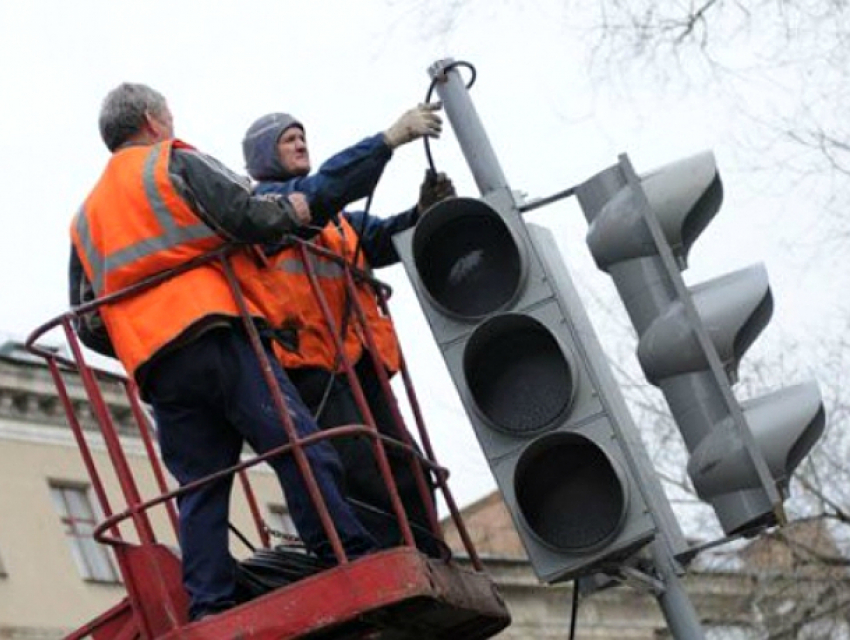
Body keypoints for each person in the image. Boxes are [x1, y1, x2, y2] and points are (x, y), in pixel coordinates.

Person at [69, 83, 378, 621]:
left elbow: (88, 319)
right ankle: (346, 553)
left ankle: (209, 605)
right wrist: (297, 207)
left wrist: (143, 329)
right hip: (216, 331)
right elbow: (247, 214)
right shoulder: (173, 163)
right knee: (299, 446)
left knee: (201, 485)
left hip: (158, 364)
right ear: (151, 119)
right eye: (167, 113)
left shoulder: (85, 218)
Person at [241, 106, 455, 554]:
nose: (301, 144)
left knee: (404, 463)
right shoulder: (262, 213)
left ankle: (427, 549)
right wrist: (386, 140)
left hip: (360, 361)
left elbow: (382, 237)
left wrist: (421, 213)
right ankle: (388, 556)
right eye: (288, 139)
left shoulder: (339, 221)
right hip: (313, 366)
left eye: (303, 136)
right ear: (265, 156)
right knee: (357, 467)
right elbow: (322, 194)